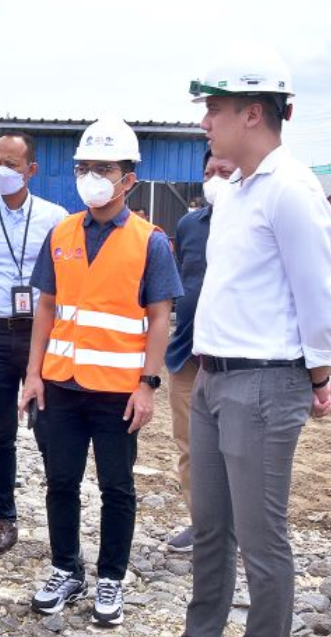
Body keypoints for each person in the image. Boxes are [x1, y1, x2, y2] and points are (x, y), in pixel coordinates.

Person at [133, 48, 331, 637]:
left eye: (214, 110)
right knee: (212, 526)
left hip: (264, 382)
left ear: (254, 113)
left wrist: (321, 376)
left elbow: (318, 292)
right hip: (215, 378)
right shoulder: (240, 190)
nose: (205, 123)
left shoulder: (291, 189)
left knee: (263, 540)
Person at [19, 116, 182, 627]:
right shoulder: (61, 233)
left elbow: (160, 319)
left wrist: (148, 385)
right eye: (83, 167)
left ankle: (111, 577)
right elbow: (46, 308)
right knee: (60, 482)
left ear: (127, 178)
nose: (91, 176)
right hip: (62, 386)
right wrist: (33, 374)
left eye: (103, 168)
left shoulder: (150, 242)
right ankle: (66, 568)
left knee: (117, 487)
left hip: (117, 392)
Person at [0, 131, 68, 557]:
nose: (3, 171)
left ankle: (60, 523)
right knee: (0, 434)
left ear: (32, 170)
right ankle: (4, 519)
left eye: (13, 165)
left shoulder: (56, 218)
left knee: (50, 432)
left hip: (40, 337)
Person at [161, 150, 237, 554]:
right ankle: (201, 523)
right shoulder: (190, 225)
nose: (214, 179)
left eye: (224, 171)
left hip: (237, 358)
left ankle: (237, 528)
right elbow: (179, 281)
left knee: (237, 448)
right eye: (208, 171)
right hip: (187, 351)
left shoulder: (256, 222)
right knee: (190, 444)